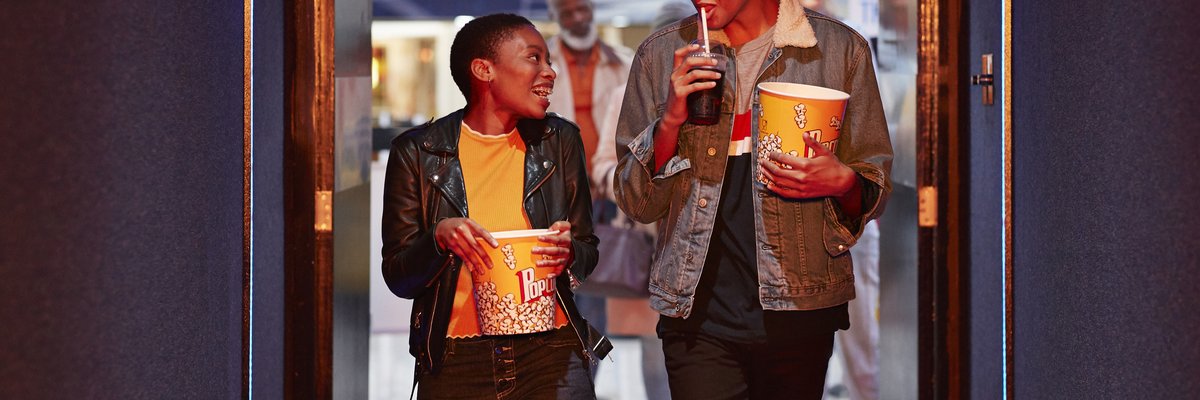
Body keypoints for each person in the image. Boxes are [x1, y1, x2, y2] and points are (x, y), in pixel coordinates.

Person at [612, 0, 893, 399]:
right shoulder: (661, 54)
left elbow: (872, 189)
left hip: (801, 309)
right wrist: (670, 121)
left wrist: (843, 183)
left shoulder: (838, 49)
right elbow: (635, 202)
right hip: (696, 316)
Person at [380, 13, 609, 399]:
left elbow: (586, 250)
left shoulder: (560, 141)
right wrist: (438, 240)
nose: (549, 72)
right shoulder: (417, 152)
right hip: (456, 361)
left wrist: (569, 253)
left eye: (548, 60)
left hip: (551, 352)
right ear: (484, 69)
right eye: (534, 58)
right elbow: (399, 277)